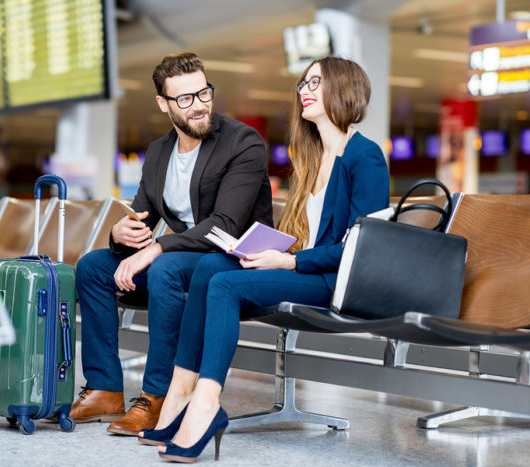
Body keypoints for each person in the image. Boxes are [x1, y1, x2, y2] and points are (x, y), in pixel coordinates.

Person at [140, 56, 389, 462]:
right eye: (302, 84)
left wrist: (289, 262)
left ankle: (206, 403)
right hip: (308, 268)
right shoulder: (311, 158)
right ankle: (179, 393)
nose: (303, 92)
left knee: (224, 282)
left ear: (343, 90)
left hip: (335, 281)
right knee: (210, 266)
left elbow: (363, 248)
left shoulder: (365, 156)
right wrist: (272, 251)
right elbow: (309, 237)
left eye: (315, 83)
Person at [71, 52, 273, 436]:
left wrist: (158, 248)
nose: (198, 106)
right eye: (185, 99)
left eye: (203, 93)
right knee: (93, 268)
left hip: (232, 261)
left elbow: (226, 226)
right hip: (180, 260)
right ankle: (105, 388)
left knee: (164, 266)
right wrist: (122, 234)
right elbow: (142, 217)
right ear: (163, 104)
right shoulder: (159, 152)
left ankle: (158, 396)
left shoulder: (242, 142)